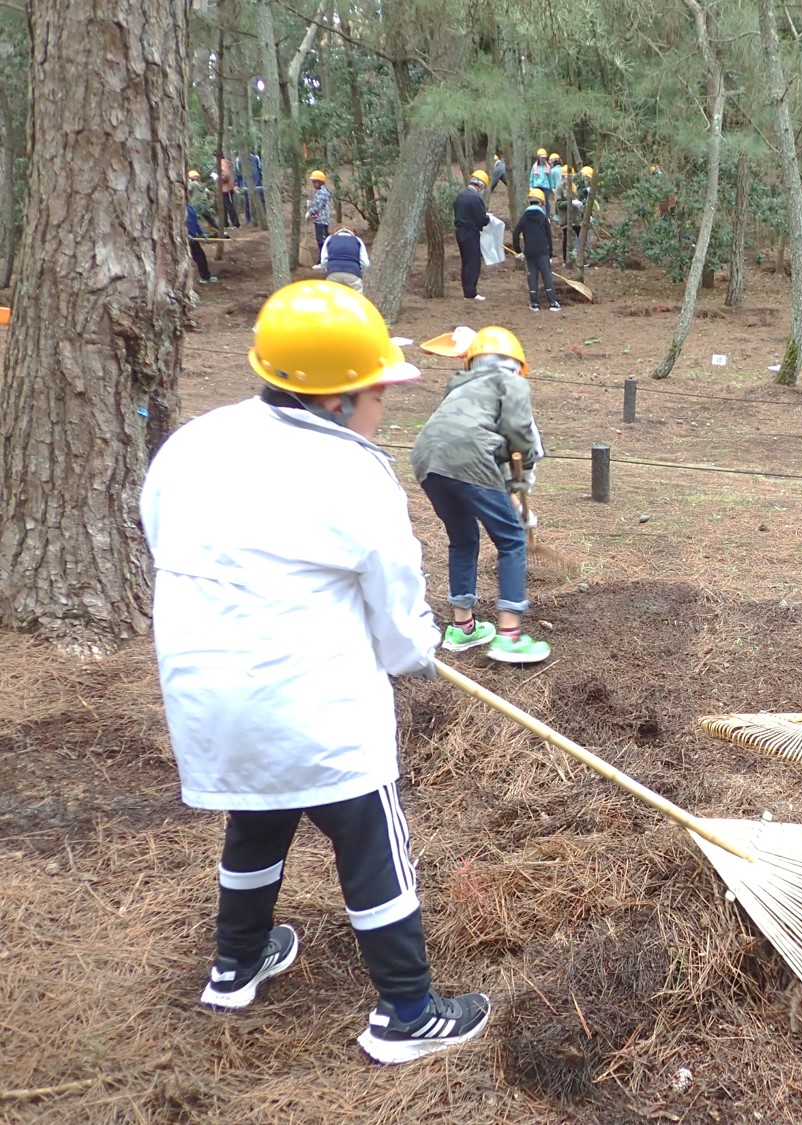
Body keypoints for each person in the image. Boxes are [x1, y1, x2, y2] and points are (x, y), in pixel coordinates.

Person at [139, 279, 491, 1065]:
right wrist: (417, 655)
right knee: (372, 838)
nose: (383, 408)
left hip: (208, 696)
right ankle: (406, 1011)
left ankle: (235, 963)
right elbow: (400, 618)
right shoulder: (352, 474)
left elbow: (161, 534)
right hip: (314, 703)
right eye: (376, 392)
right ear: (336, 400)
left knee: (258, 810)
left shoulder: (195, 442)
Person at [412, 327, 551, 665]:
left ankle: (463, 627)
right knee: (513, 540)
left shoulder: (460, 387)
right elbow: (519, 433)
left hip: (427, 461)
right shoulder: (513, 383)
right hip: (468, 458)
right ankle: (510, 637)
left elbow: (478, 435)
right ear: (516, 365)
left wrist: (513, 488)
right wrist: (524, 467)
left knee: (463, 538)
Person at [513, 187, 560, 312]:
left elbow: (515, 233)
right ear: (542, 203)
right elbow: (549, 236)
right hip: (542, 252)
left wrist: (518, 251)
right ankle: (552, 303)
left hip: (529, 252)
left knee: (532, 276)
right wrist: (550, 254)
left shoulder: (524, 218)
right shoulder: (543, 218)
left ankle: (534, 303)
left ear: (529, 202)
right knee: (547, 276)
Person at [453, 169, 490, 301]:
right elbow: (481, 219)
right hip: (471, 233)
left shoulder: (460, 196)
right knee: (473, 262)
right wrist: (488, 219)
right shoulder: (475, 198)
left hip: (460, 231)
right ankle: (471, 292)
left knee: (465, 262)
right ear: (480, 185)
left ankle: (466, 290)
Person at [318, 226, 370, 292]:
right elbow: (365, 263)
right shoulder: (357, 240)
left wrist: (328, 268)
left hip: (333, 272)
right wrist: (359, 270)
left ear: (336, 232)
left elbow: (323, 261)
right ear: (352, 233)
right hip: (353, 273)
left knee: (330, 296)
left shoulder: (330, 239)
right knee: (357, 298)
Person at [186, 201, 218, 285]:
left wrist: (202, 233)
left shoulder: (190, 207)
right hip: (183, 239)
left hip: (193, 239)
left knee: (201, 257)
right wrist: (186, 235)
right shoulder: (180, 209)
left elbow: (195, 222)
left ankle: (205, 277)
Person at [305, 170, 332, 253]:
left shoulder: (323, 193)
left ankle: (323, 258)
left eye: (314, 181)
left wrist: (309, 213)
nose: (313, 184)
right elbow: (317, 203)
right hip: (319, 219)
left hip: (322, 220)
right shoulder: (319, 192)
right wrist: (311, 203)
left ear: (320, 182)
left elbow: (318, 207)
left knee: (322, 240)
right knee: (320, 239)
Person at [217, 153, 240, 228]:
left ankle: (236, 223)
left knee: (229, 206)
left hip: (227, 188)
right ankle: (225, 223)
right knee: (224, 206)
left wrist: (218, 178)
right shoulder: (221, 163)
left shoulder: (222, 163)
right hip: (223, 188)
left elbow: (226, 175)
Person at [529, 149, 553, 217]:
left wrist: (552, 187)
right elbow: (532, 176)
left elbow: (550, 177)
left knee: (546, 202)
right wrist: (531, 186)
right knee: (536, 201)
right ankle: (536, 214)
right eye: (542, 157)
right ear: (539, 157)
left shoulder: (548, 167)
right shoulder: (534, 166)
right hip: (536, 186)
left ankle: (547, 216)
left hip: (545, 187)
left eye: (544, 158)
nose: (543, 159)